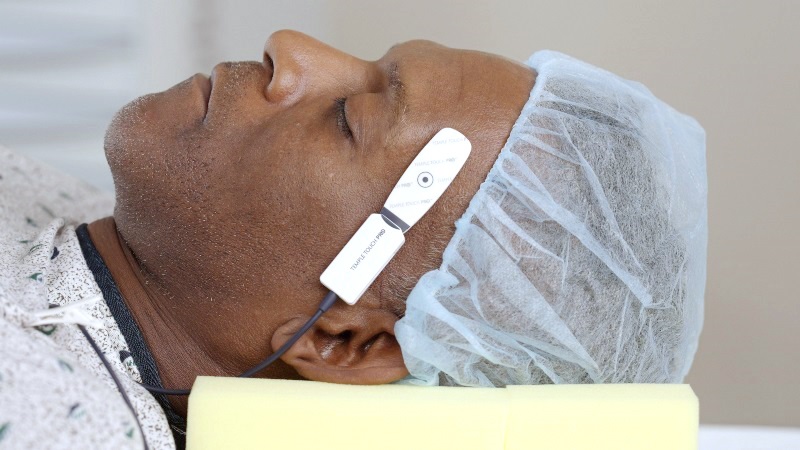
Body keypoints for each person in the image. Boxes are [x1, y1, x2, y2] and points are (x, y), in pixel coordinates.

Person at [0, 30, 706, 450]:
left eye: (347, 117)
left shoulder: (37, 412)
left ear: (344, 340)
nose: (289, 46)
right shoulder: (81, 229)